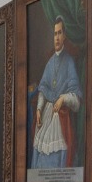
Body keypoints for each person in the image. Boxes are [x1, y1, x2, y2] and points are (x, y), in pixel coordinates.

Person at [31, 16, 82, 170]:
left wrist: (63, 99)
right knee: (38, 156)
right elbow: (43, 89)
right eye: (55, 34)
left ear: (64, 36)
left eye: (60, 33)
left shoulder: (69, 62)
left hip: (60, 120)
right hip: (46, 116)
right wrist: (39, 109)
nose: (57, 37)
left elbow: (77, 100)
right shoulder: (50, 62)